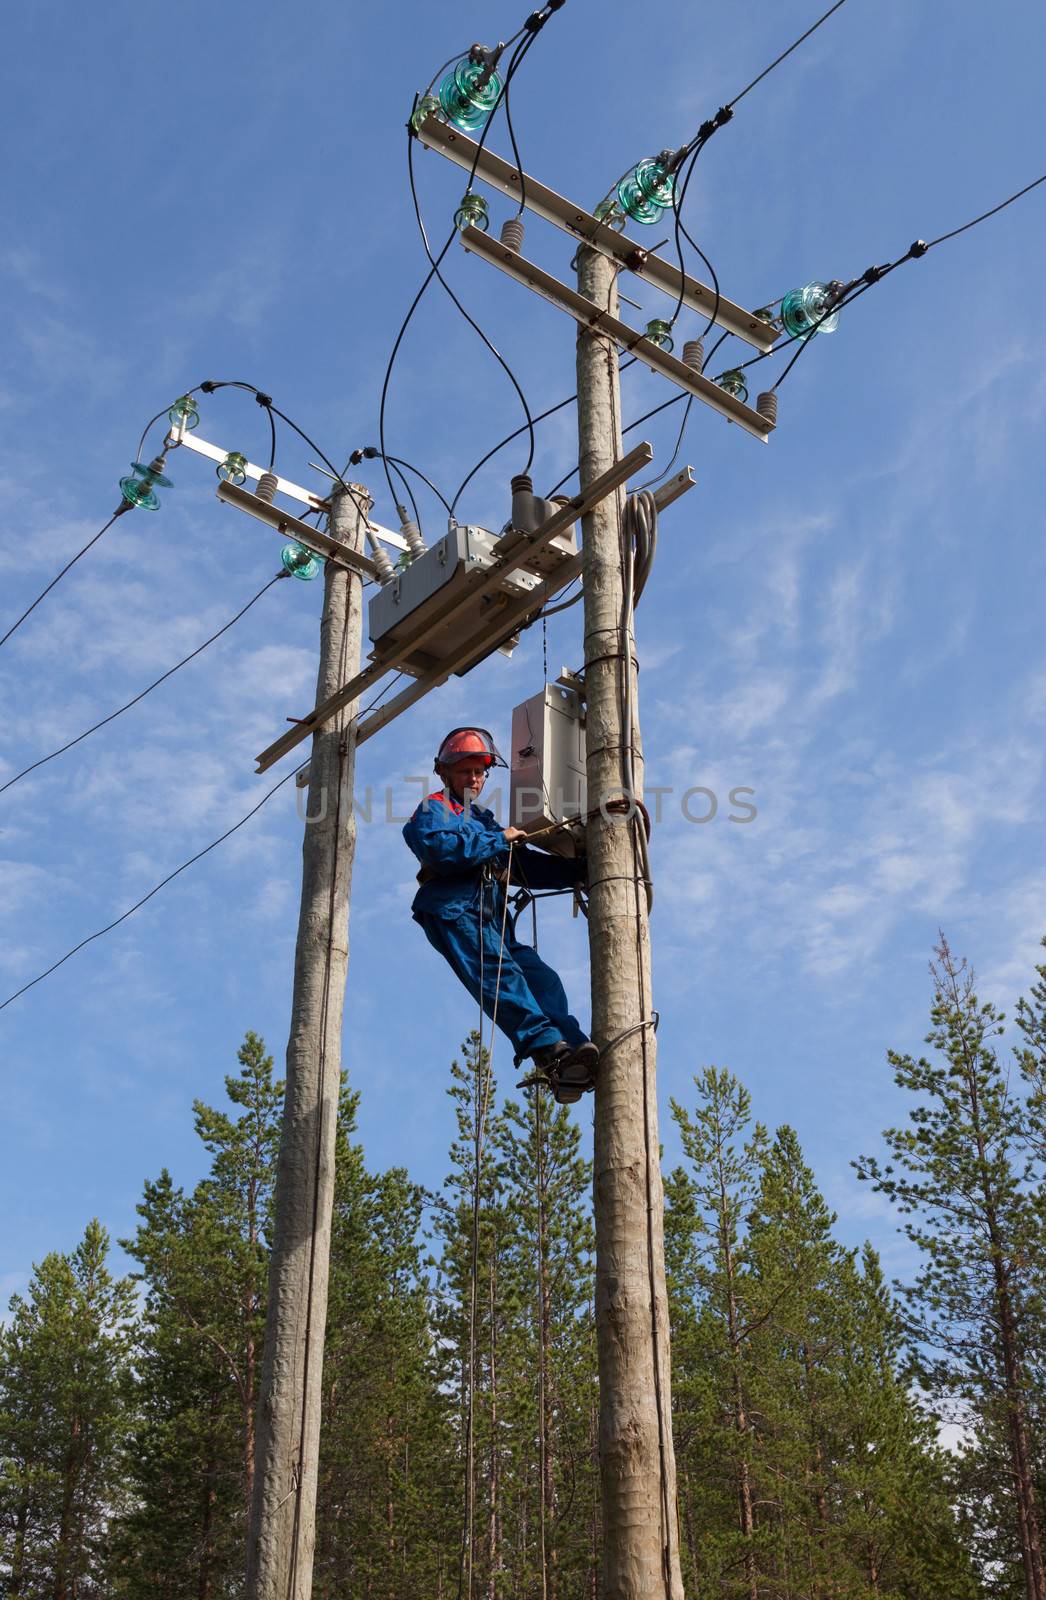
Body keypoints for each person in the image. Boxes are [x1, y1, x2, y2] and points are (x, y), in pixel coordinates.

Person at [403, 726, 598, 1104]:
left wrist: (578, 872)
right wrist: (499, 839)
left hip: (492, 918)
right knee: (501, 976)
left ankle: (574, 1048)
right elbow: (439, 850)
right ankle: (547, 1051)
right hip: (456, 910)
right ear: (444, 772)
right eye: (465, 771)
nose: (474, 778)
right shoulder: (434, 809)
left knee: (541, 978)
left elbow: (520, 864)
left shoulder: (482, 819)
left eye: (479, 771)